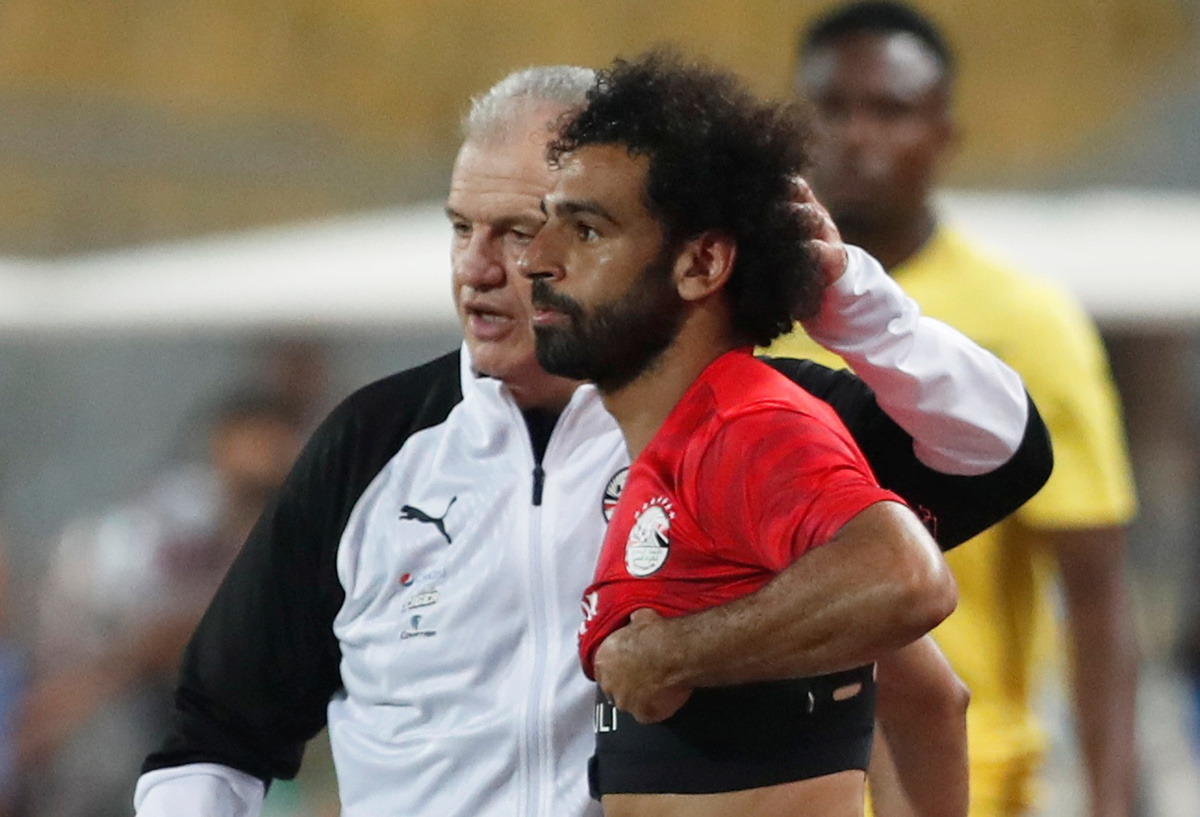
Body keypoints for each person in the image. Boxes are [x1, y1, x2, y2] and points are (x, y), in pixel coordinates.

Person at [133, 65, 1050, 817]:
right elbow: (216, 733)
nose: (484, 268)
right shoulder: (371, 444)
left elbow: (999, 454)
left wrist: (850, 302)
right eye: (461, 228)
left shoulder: (743, 423)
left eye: (527, 229)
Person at [519, 47, 972, 817]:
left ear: (702, 264)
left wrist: (671, 652)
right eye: (546, 224)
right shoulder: (686, 447)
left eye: (587, 231)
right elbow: (930, 699)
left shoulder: (747, 424)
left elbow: (907, 577)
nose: (537, 259)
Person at [767, 4, 1140, 816]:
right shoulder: (738, 312)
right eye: (831, 107)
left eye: (891, 109)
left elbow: (1097, 592)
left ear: (944, 134)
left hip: (968, 781)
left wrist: (1111, 801)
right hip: (779, 784)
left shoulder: (1026, 322)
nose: (856, 136)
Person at [20, 393, 304, 817]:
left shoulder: (299, 530)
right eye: (257, 440)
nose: (269, 458)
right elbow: (146, 628)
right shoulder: (176, 516)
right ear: (222, 441)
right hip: (134, 698)